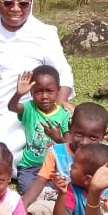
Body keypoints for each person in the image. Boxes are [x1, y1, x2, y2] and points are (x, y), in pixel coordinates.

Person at [0, 0, 75, 162]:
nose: (15, 9)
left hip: (19, 112)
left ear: (31, 3)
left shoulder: (44, 33)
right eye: (7, 3)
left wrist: (60, 104)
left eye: (23, 4)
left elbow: (64, 73)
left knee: (3, 153)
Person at [20, 102, 108, 215]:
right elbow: (40, 181)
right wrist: (24, 204)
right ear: (70, 128)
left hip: (97, 201)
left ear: (103, 137)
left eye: (93, 137)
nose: (84, 142)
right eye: (79, 134)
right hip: (64, 199)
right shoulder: (57, 152)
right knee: (41, 203)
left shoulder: (107, 152)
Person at [8, 65, 71, 193]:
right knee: (28, 189)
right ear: (31, 92)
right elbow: (12, 107)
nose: (44, 96)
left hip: (55, 166)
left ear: (58, 91)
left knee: (61, 189)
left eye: (49, 91)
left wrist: (57, 137)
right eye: (38, 91)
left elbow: (69, 144)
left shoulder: (64, 114)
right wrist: (18, 94)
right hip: (30, 166)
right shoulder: (30, 108)